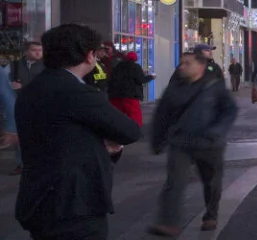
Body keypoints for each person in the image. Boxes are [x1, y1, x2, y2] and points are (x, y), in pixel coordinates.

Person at [13, 23, 143, 240]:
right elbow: (130, 131)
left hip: (38, 199)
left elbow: (59, 134)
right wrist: (107, 144)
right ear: (90, 55)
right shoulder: (78, 92)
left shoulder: (31, 89)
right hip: (74, 204)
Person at [148, 45, 238, 235]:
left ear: (200, 65)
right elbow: (162, 115)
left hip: (209, 143)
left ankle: (211, 215)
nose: (182, 67)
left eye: (187, 63)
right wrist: (157, 140)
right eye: (181, 63)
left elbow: (230, 110)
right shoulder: (174, 87)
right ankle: (169, 222)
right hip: (181, 142)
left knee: (211, 182)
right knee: (175, 182)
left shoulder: (214, 85)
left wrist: (217, 131)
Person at [105, 52, 150, 128]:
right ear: (135, 59)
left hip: (115, 95)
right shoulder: (135, 67)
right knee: (134, 116)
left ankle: (117, 131)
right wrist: (151, 77)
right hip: (130, 96)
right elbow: (141, 80)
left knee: (117, 115)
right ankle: (133, 132)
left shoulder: (118, 66)